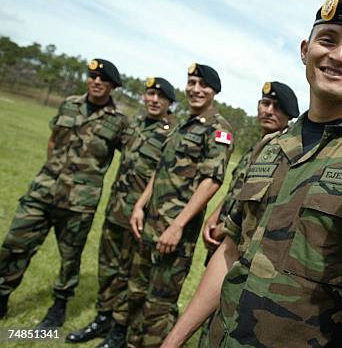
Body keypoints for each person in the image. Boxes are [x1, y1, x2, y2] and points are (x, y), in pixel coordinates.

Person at [161, 0, 342, 348]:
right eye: (328, 40)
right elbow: (231, 251)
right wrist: (174, 340)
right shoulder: (269, 147)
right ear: (305, 49)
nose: (338, 56)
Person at [0, 58, 128, 328]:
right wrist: (53, 172)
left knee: (69, 259)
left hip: (79, 204)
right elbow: (54, 140)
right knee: (14, 244)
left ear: (112, 86)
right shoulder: (69, 103)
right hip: (42, 192)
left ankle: (59, 306)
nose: (95, 81)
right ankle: (1, 295)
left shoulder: (118, 122)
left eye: (102, 79)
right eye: (92, 76)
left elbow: (130, 160)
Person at [126, 63, 233, 348]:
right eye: (191, 82)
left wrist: (177, 225)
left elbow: (212, 180)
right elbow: (161, 169)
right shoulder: (182, 124)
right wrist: (139, 205)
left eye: (203, 85)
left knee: (158, 304)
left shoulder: (218, 129)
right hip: (150, 222)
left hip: (174, 232)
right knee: (137, 291)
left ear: (214, 92)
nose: (195, 89)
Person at [66, 77, 177, 347]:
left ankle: (119, 328)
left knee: (131, 277)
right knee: (107, 269)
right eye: (150, 94)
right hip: (115, 210)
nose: (153, 100)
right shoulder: (133, 125)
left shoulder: (172, 133)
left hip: (141, 218)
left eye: (160, 96)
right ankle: (103, 318)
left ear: (169, 103)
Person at [201, 81, 300, 264]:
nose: (268, 111)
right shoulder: (255, 148)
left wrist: (225, 227)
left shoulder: (286, 155)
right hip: (221, 242)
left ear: (289, 115)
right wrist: (214, 216)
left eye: (277, 107)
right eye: (265, 103)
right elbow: (238, 189)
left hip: (244, 249)